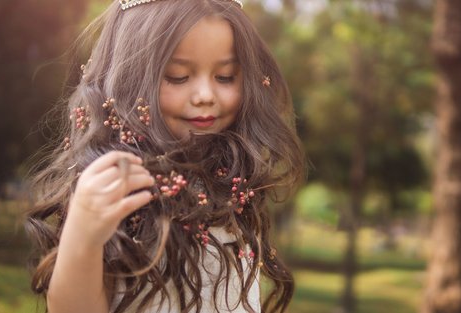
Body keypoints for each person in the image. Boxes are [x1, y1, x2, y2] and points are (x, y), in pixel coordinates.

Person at [25, 0, 305, 312]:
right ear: (128, 81)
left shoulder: (233, 181)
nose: (205, 96)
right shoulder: (117, 185)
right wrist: (83, 233)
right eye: (177, 76)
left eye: (225, 76)